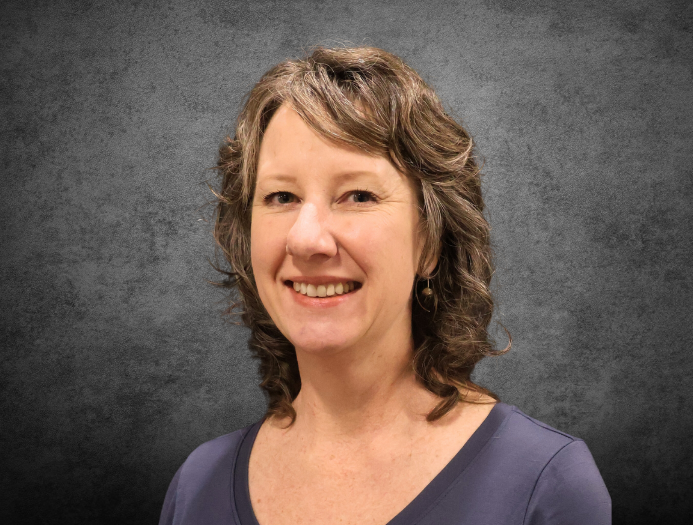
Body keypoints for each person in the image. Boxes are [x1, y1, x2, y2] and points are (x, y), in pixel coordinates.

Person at [160, 46, 611, 525]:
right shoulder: (198, 485)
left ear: (431, 242)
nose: (307, 239)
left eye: (358, 195)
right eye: (281, 196)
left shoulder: (545, 483)